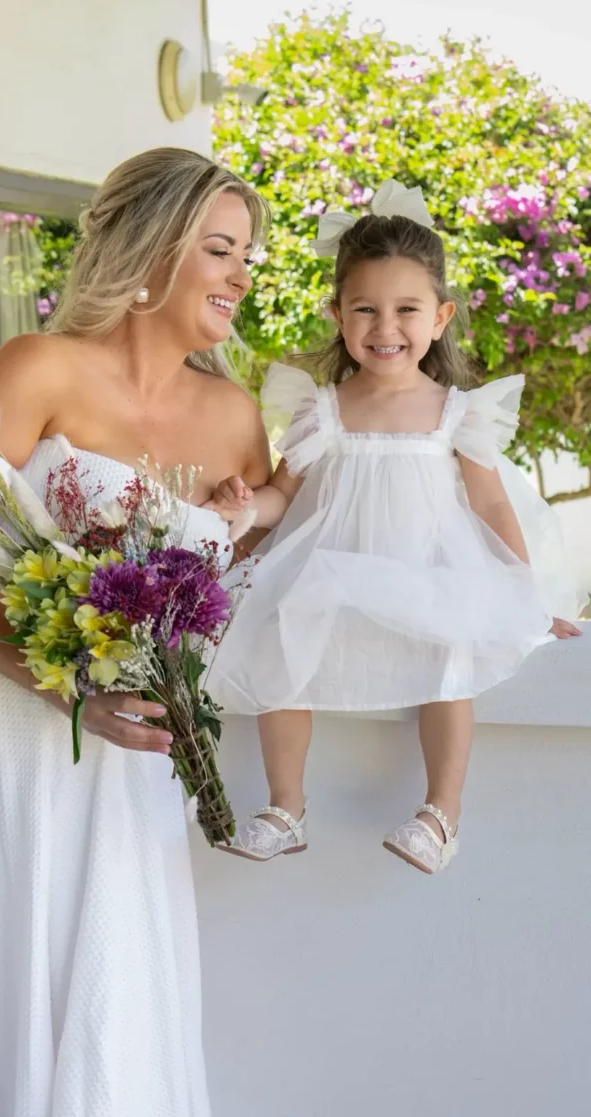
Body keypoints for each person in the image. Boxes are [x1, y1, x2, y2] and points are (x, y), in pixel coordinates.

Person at [0, 147, 271, 1116]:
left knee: (106, 1004)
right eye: (222, 249)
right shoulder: (40, 368)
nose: (243, 276)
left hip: (113, 775)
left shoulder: (238, 420)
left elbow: (261, 578)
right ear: (153, 251)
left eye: (249, 255)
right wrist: (64, 682)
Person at [206, 179, 582, 876]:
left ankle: (441, 813)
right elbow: (282, 497)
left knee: (450, 661)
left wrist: (522, 597)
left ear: (439, 317)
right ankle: (286, 807)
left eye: (406, 309)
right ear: (338, 315)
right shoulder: (321, 409)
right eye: (365, 310)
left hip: (426, 573)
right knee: (281, 647)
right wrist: (244, 510)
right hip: (336, 573)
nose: (385, 328)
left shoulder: (455, 413)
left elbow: (493, 508)